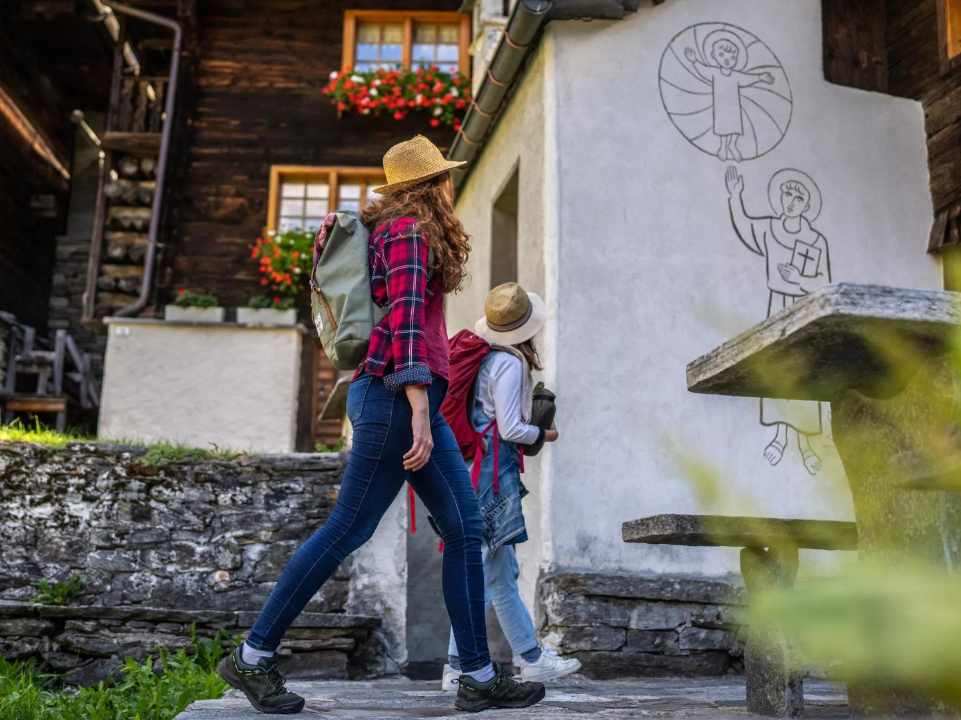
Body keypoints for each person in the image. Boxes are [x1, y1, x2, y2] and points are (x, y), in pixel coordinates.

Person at [217, 136, 546, 714]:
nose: (450, 184)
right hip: (396, 400)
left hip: (404, 399)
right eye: (445, 177)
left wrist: (424, 407)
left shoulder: (398, 230)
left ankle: (476, 674)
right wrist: (421, 410)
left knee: (466, 531)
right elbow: (404, 325)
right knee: (347, 528)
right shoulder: (409, 233)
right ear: (431, 186)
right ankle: (251, 657)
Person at [442, 282, 581, 692]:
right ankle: (458, 667)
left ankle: (531, 659)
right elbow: (511, 428)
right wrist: (546, 433)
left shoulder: (485, 357)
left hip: (474, 468)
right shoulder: (509, 364)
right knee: (482, 566)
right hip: (491, 474)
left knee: (501, 571)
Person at [726, 166, 831, 475]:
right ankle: (781, 437)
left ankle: (805, 445)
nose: (791, 201)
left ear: (807, 205)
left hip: (802, 312)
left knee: (804, 376)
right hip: (777, 310)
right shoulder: (771, 229)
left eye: (799, 197)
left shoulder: (815, 240)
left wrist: (800, 279)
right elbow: (745, 226)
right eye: (787, 193)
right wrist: (735, 196)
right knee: (779, 373)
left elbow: (825, 281)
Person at [685, 33, 774, 162]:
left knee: (735, 127)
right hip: (720, 108)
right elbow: (703, 70)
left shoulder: (736, 75)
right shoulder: (714, 72)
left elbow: (748, 78)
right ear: (714, 56)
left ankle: (733, 145)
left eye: (732, 57)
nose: (727, 59)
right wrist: (694, 61)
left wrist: (761, 77)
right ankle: (723, 147)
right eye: (722, 55)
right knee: (723, 128)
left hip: (734, 108)